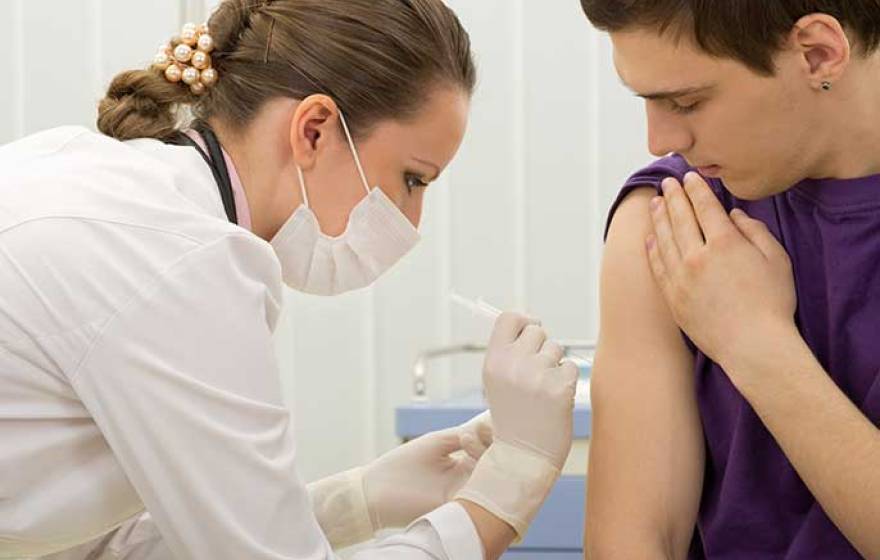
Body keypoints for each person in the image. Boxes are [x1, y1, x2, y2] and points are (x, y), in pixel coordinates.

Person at [0, 1, 580, 558]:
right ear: (315, 130)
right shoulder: (182, 264)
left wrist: (356, 501)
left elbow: (87, 548)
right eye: (412, 179)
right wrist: (504, 492)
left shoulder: (84, 171)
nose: (413, 221)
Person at [579, 0, 880, 558]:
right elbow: (633, 541)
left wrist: (754, 343)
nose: (660, 139)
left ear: (818, 54)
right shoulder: (668, 218)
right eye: (647, 101)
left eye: (687, 101)